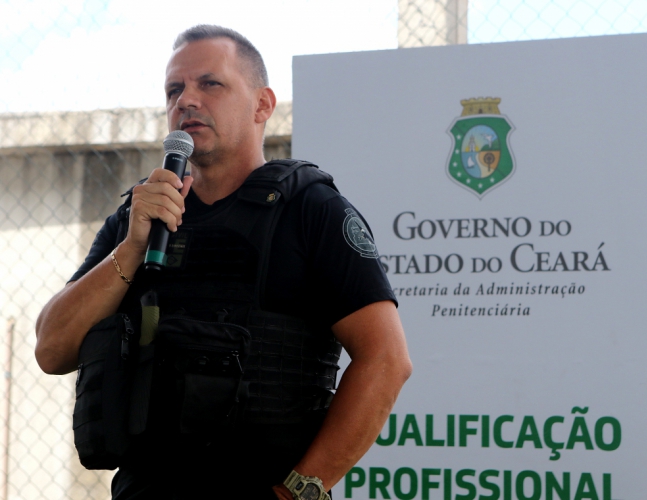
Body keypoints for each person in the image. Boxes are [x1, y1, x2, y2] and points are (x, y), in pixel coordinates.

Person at [35, 24, 412, 500]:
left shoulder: (312, 211)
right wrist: (131, 247)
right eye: (174, 90)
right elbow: (52, 350)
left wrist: (300, 490)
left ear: (262, 105)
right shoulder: (136, 220)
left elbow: (387, 360)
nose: (186, 100)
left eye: (209, 84)